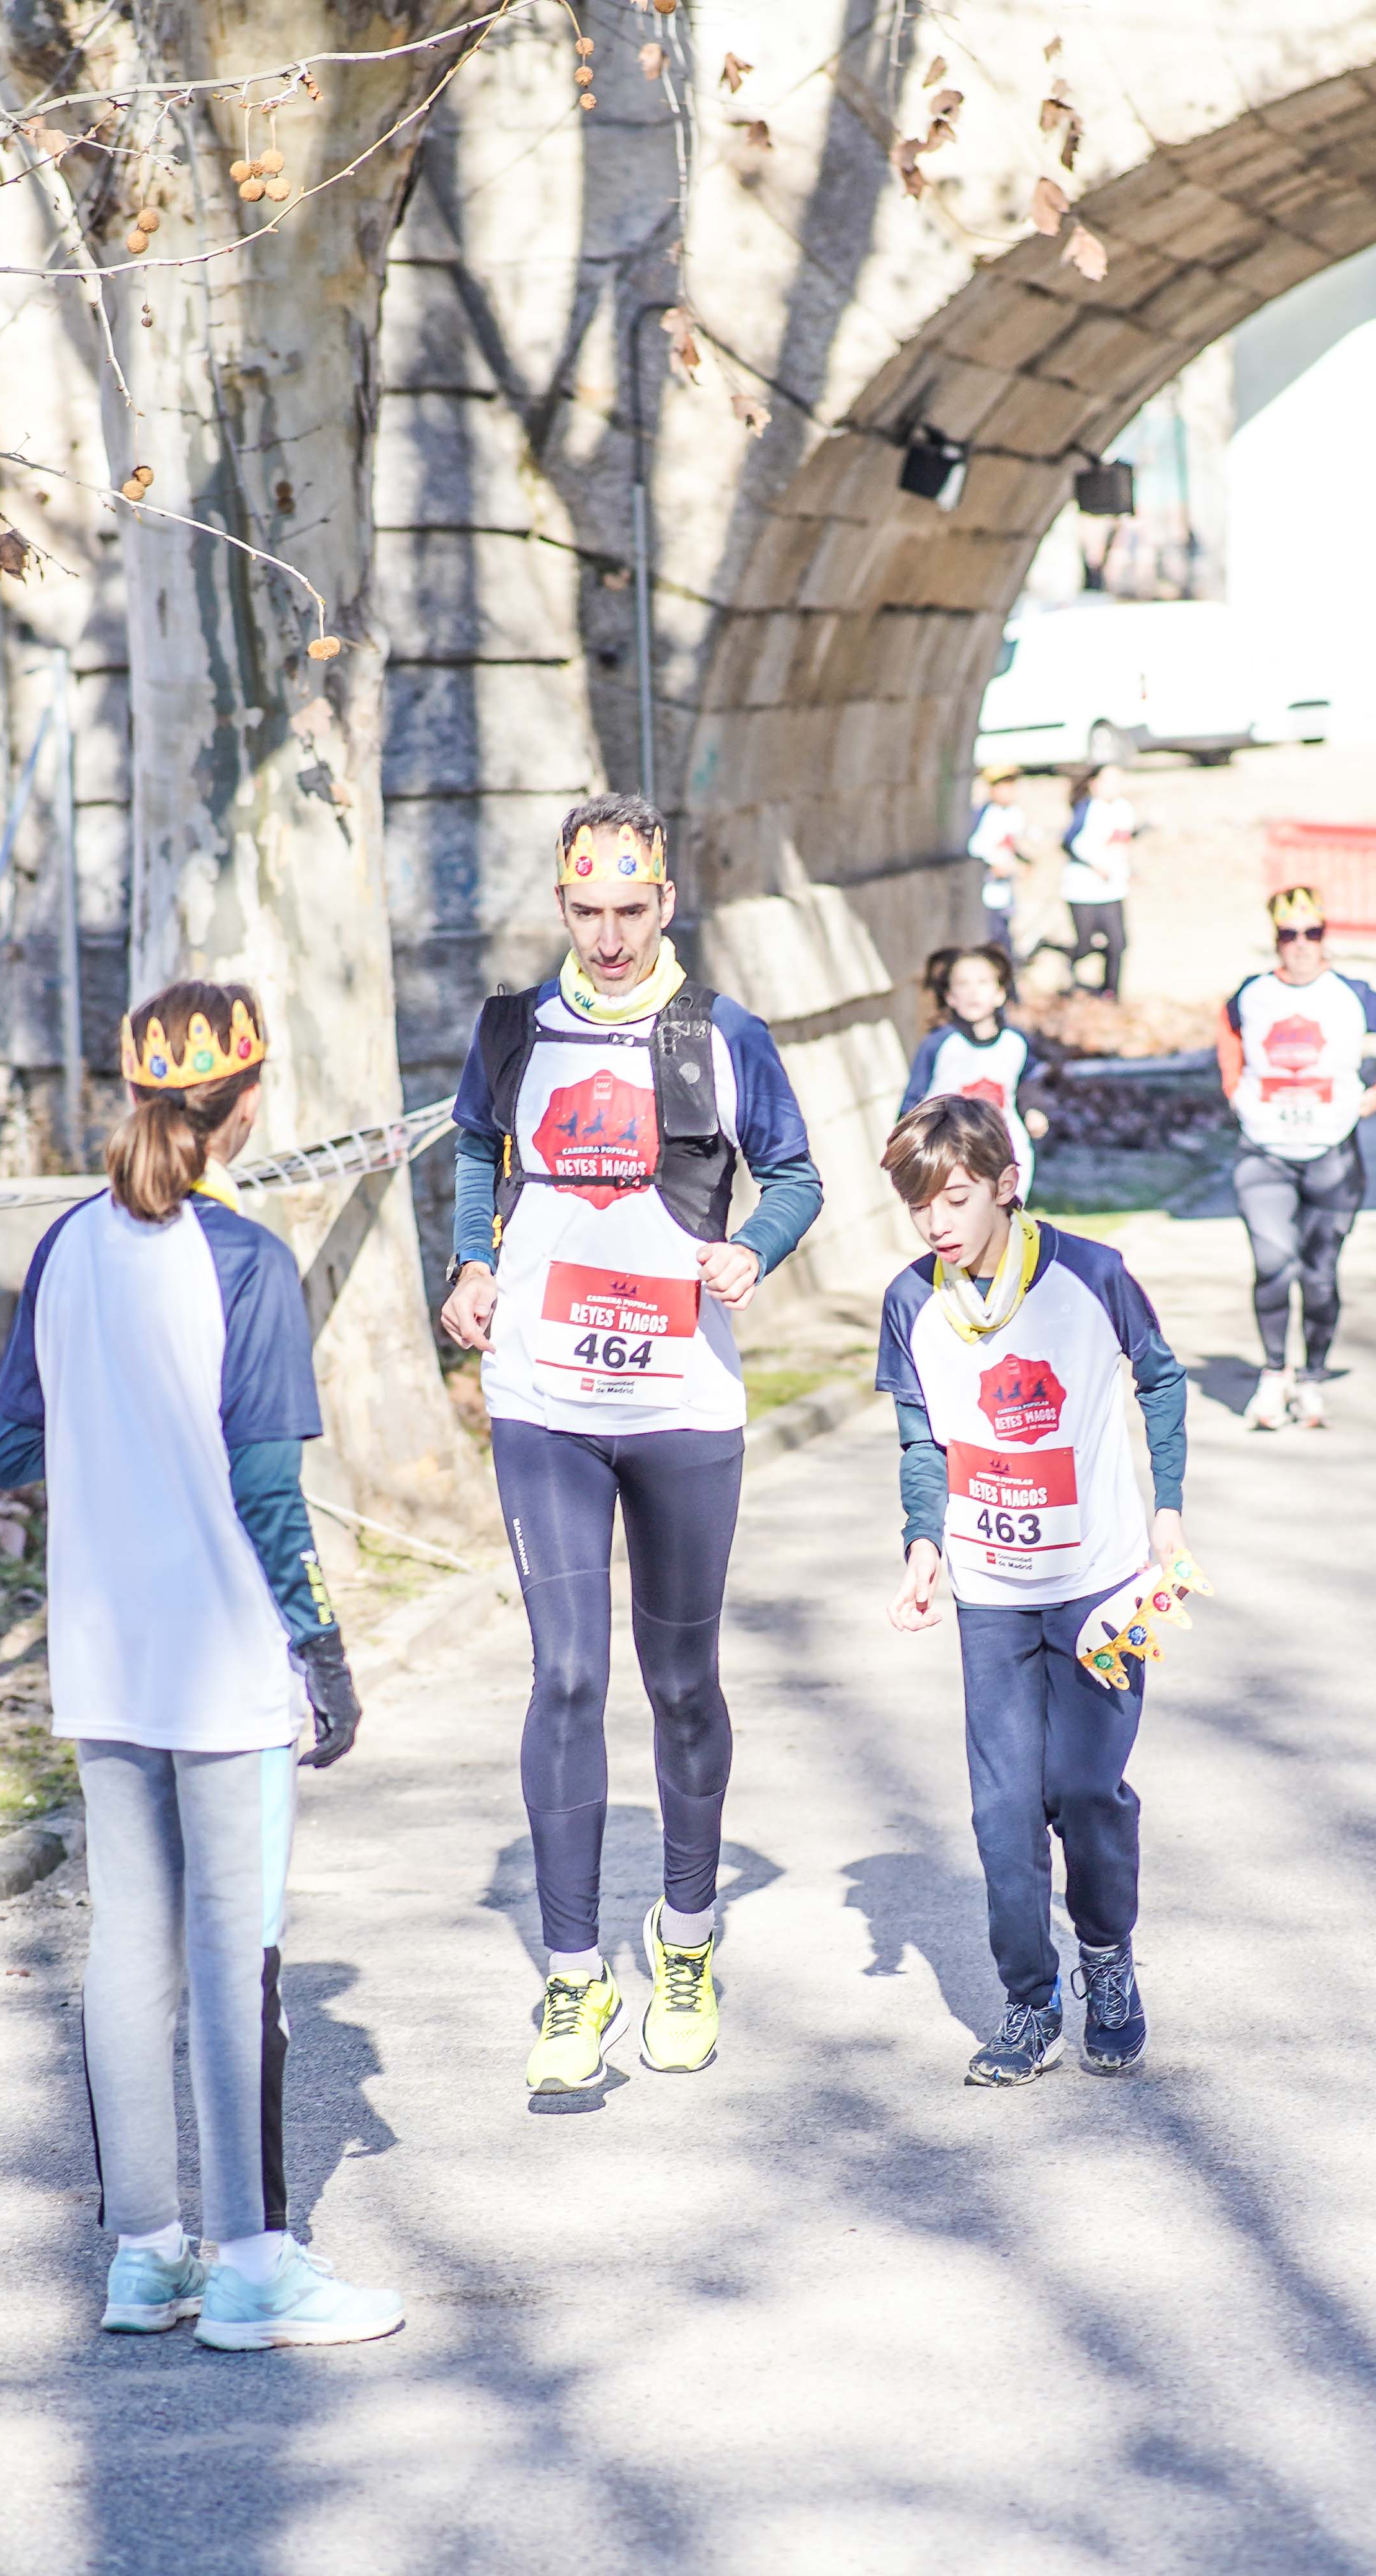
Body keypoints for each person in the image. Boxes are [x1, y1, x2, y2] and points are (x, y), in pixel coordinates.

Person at [0, 981, 402, 2350]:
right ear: (251, 1097)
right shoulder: (245, 1262)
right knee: (241, 1961)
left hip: (103, 1649)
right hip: (225, 1656)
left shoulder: (63, 1247)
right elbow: (271, 1494)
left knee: (127, 1952)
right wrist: (327, 1649)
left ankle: (144, 2252)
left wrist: (119, 1487)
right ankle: (255, 2268)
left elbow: (14, 1450)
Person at [438, 793, 826, 2096]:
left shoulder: (723, 1037)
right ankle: (569, 1971)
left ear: (667, 905)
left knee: (679, 1684)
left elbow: (800, 1173)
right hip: (545, 1392)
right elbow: (476, 1152)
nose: (608, 937)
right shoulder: (513, 1028)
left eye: (631, 911)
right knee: (563, 1679)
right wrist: (471, 1260)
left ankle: (685, 1936)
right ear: (564, 906)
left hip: (680, 1402)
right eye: (587, 912)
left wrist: (750, 1247)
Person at [876, 1095, 1191, 2085]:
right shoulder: (907, 1302)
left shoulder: (1092, 1276)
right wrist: (924, 1541)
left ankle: (1108, 1963)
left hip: (1103, 1588)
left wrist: (1168, 1510)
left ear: (1007, 1187)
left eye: (957, 1199)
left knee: (1086, 1793)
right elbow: (923, 1436)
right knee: (1004, 1808)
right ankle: (1028, 2003)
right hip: (991, 1594)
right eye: (921, 1203)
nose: (938, 1223)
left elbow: (1165, 1380)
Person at [1216, 886, 1376, 1430]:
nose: (1302, 946)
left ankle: (1312, 1378)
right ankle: (1272, 1373)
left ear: (1325, 936)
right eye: (1290, 935)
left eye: (1313, 934)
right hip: (1265, 1151)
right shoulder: (1253, 994)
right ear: (1276, 940)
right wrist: (1235, 1089)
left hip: (1332, 1153)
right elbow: (1227, 1030)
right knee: (1271, 1263)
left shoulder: (1350, 993)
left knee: (1320, 1275)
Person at [901, 943, 1044, 1197]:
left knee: (1004, 1223)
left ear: (1000, 993)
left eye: (982, 982)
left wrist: (1034, 1111)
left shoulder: (1016, 1043)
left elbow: (1027, 1084)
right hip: (950, 1157)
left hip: (1005, 1151)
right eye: (963, 985)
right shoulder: (940, 1044)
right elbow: (912, 1102)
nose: (973, 992)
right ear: (950, 997)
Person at [1059, 766, 1135, 992]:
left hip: (1113, 890)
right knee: (1086, 945)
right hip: (1083, 891)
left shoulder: (1125, 809)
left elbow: (1123, 843)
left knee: (1118, 944)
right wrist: (1094, 864)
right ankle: (1066, 965)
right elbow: (1068, 843)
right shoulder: (1087, 809)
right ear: (1094, 784)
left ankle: (1111, 992)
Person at [966, 771, 1028, 956]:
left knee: (1005, 939)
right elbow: (973, 850)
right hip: (985, 891)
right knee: (990, 942)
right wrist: (990, 868)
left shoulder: (1015, 814)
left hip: (1005, 891)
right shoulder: (982, 815)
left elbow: (1014, 846)